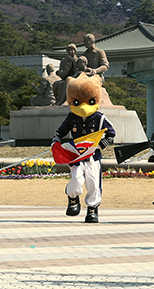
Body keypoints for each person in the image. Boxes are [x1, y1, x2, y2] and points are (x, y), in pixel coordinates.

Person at [52, 74, 115, 223]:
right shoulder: (72, 117)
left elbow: (111, 134)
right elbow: (60, 132)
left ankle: (92, 209)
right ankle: (72, 197)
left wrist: (101, 145)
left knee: (93, 182)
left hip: (93, 155)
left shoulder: (100, 118)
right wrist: (56, 141)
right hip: (77, 156)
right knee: (76, 178)